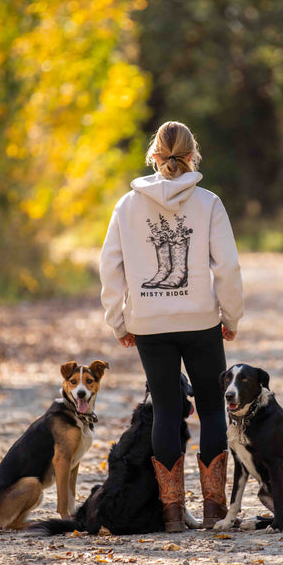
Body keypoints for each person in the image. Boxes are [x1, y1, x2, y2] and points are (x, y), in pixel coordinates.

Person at [99, 121, 243, 532]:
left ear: (154, 155)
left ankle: (172, 514)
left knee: (164, 409)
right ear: (193, 155)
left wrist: (118, 320)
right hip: (200, 321)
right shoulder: (209, 202)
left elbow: (110, 266)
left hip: (148, 322)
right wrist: (230, 316)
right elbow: (228, 268)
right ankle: (216, 511)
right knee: (213, 409)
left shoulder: (127, 205)